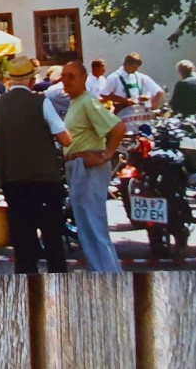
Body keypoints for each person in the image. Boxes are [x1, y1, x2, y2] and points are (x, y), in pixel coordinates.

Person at [0, 56, 73, 274]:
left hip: (14, 179)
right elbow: (65, 139)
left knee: (23, 240)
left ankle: (27, 289)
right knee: (52, 237)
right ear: (32, 80)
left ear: (9, 80)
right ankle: (59, 286)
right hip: (46, 178)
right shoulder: (42, 103)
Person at [61, 61, 126, 273]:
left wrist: (107, 154)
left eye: (72, 76)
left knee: (94, 227)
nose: (66, 80)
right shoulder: (76, 102)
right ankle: (100, 272)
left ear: (83, 78)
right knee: (86, 227)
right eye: (64, 76)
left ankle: (109, 275)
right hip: (77, 166)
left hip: (87, 167)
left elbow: (118, 127)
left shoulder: (88, 101)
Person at [100, 52, 165, 110]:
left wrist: (152, 106)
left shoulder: (139, 76)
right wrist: (124, 101)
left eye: (137, 67)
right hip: (120, 113)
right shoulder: (114, 77)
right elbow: (104, 94)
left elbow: (159, 92)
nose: (136, 70)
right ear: (127, 65)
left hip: (137, 114)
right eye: (134, 67)